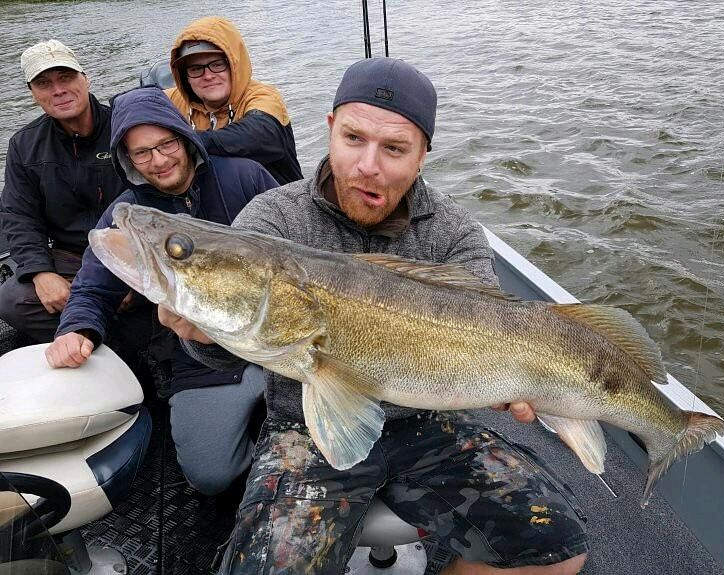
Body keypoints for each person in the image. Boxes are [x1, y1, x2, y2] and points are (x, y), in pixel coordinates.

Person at [163, 58, 589, 574]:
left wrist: (518, 387)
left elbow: (494, 326)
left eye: (394, 148)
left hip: (432, 426)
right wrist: (201, 337)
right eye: (353, 138)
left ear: (423, 154)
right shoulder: (270, 221)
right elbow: (224, 352)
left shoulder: (454, 233)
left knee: (556, 550)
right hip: (306, 427)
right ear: (329, 130)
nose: (369, 165)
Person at [45, 86, 279, 496]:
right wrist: (76, 329)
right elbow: (92, 288)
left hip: (282, 338)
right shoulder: (127, 213)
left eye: (166, 143)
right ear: (126, 159)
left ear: (184, 137)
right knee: (209, 477)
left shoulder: (246, 175)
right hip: (200, 358)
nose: (158, 160)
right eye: (141, 153)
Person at [0, 40, 125, 344]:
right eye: (44, 83)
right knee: (11, 299)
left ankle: (97, 335)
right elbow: (19, 216)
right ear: (33, 94)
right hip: (70, 257)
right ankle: (115, 344)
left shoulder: (125, 127)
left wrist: (132, 278)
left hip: (128, 253)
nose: (58, 90)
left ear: (86, 78)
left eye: (66, 77)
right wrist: (40, 272)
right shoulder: (24, 145)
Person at [166, 16, 303, 185]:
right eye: (196, 69)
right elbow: (133, 105)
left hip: (276, 200)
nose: (208, 76)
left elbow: (263, 135)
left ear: (234, 64)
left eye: (217, 64)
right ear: (184, 77)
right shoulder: (175, 100)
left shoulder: (263, 96)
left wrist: (185, 142)